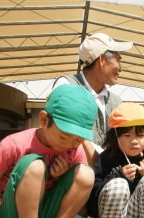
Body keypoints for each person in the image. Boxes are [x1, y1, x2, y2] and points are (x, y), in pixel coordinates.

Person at [0, 85, 97, 218]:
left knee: (86, 173)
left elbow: (79, 192)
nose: (69, 144)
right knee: (35, 165)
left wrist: (61, 179)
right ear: (44, 120)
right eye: (64, 136)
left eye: (78, 140)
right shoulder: (14, 144)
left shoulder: (75, 151)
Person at [53, 33, 133, 165]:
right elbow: (65, 132)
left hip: (107, 173)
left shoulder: (116, 101)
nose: (121, 68)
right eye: (118, 60)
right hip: (71, 169)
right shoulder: (67, 86)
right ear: (102, 59)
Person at [88, 102, 144, 218]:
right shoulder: (106, 158)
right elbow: (93, 192)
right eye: (127, 135)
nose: (134, 141)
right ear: (115, 136)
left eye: (140, 135)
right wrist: (118, 175)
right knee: (119, 184)